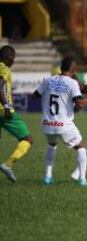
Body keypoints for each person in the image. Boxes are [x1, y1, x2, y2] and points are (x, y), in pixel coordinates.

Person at [33, 57, 87, 187]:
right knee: (81, 147)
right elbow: (79, 103)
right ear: (74, 69)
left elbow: (35, 96)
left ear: (61, 68)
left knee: (52, 144)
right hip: (63, 124)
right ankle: (82, 180)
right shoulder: (72, 83)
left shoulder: (48, 80)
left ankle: (47, 177)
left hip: (47, 123)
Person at [0, 45, 33, 183]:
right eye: (13, 58)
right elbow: (0, 86)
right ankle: (8, 164)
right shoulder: (3, 68)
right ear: (8, 57)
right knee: (27, 139)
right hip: (3, 112)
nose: (13, 61)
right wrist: (7, 106)